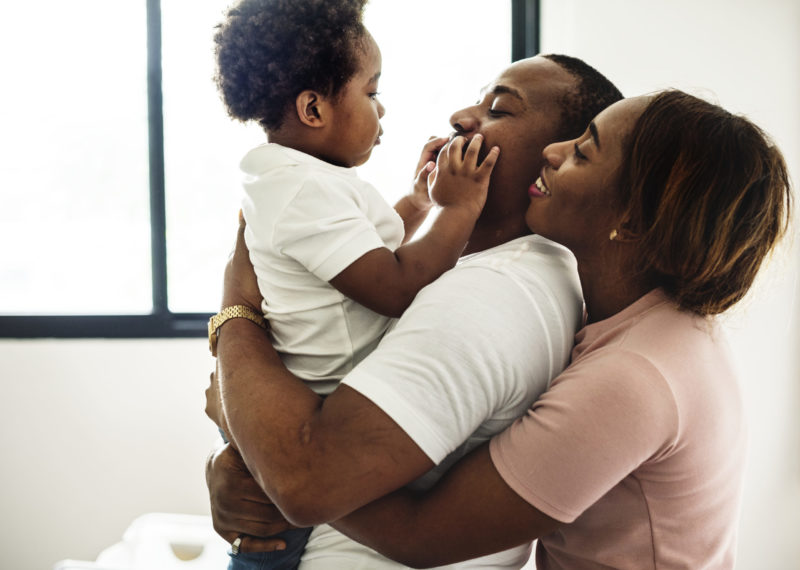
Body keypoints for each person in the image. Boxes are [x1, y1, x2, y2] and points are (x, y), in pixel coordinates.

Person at [285, 91, 790, 568]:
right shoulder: (648, 324)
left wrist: (272, 468)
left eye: (583, 152)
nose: (552, 151)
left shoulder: (633, 376)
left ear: (632, 221)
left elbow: (417, 534)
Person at [206, 53, 624, 568]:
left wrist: (237, 313)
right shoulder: (477, 270)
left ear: (556, 157)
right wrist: (244, 452)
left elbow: (304, 480)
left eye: (498, 110)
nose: (461, 118)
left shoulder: (494, 289)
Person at [211, 1, 496, 566]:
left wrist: (418, 204)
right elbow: (392, 285)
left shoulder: (307, 180)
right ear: (313, 107)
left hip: (314, 408)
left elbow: (363, 255)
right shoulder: (300, 190)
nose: (382, 108)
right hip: (302, 420)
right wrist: (459, 208)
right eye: (371, 92)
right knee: (267, 551)